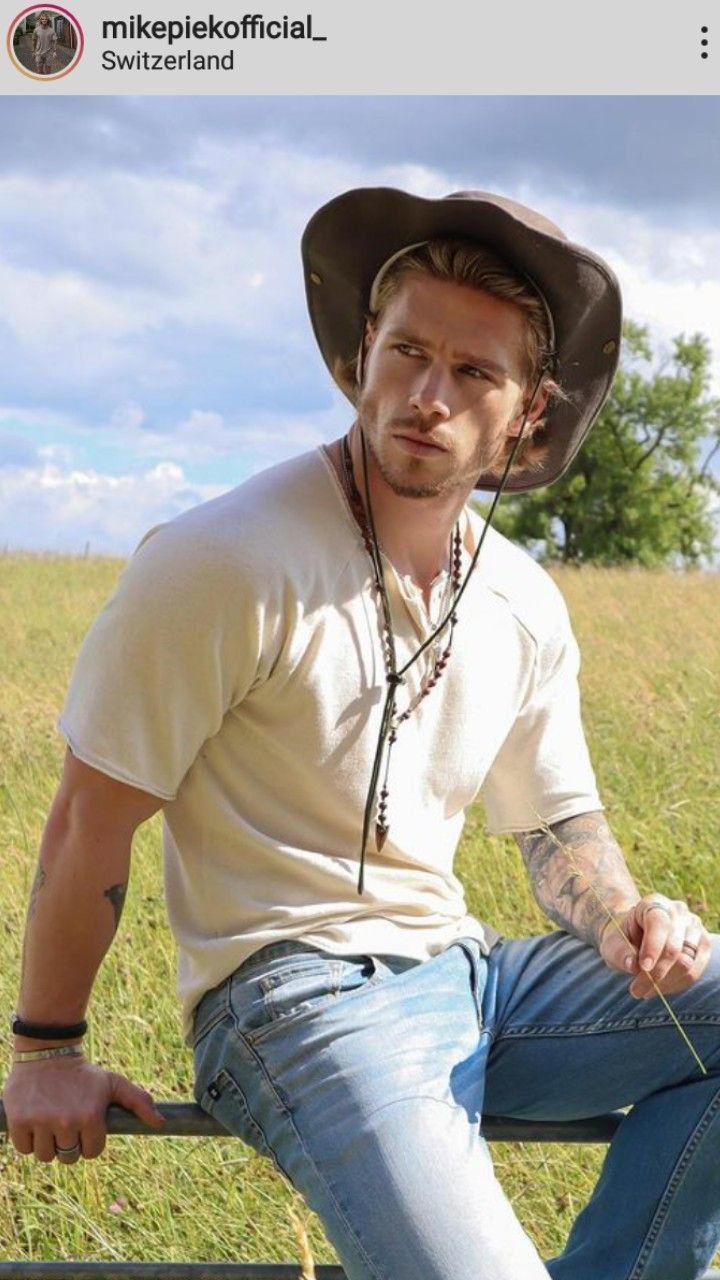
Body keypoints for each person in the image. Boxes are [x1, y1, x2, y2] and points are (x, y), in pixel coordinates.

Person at [3, 187, 719, 1280]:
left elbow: (556, 824)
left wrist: (622, 913)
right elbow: (87, 819)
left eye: (475, 371)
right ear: (360, 358)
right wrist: (47, 1046)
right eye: (406, 352)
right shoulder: (226, 559)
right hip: (292, 999)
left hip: (469, 975)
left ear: (529, 409)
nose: (428, 396)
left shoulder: (522, 599)